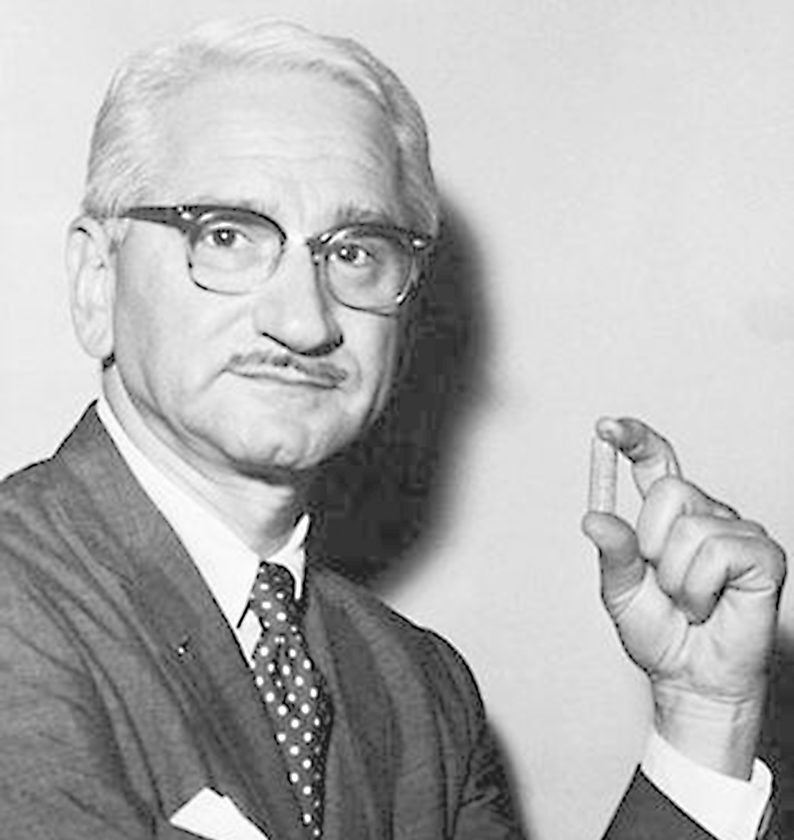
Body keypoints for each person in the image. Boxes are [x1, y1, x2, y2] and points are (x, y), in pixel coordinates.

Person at [0, 17, 784, 840]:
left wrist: (704, 715)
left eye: (354, 253)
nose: (304, 322)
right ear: (96, 282)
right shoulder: (20, 606)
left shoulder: (418, 689)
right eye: (226, 236)